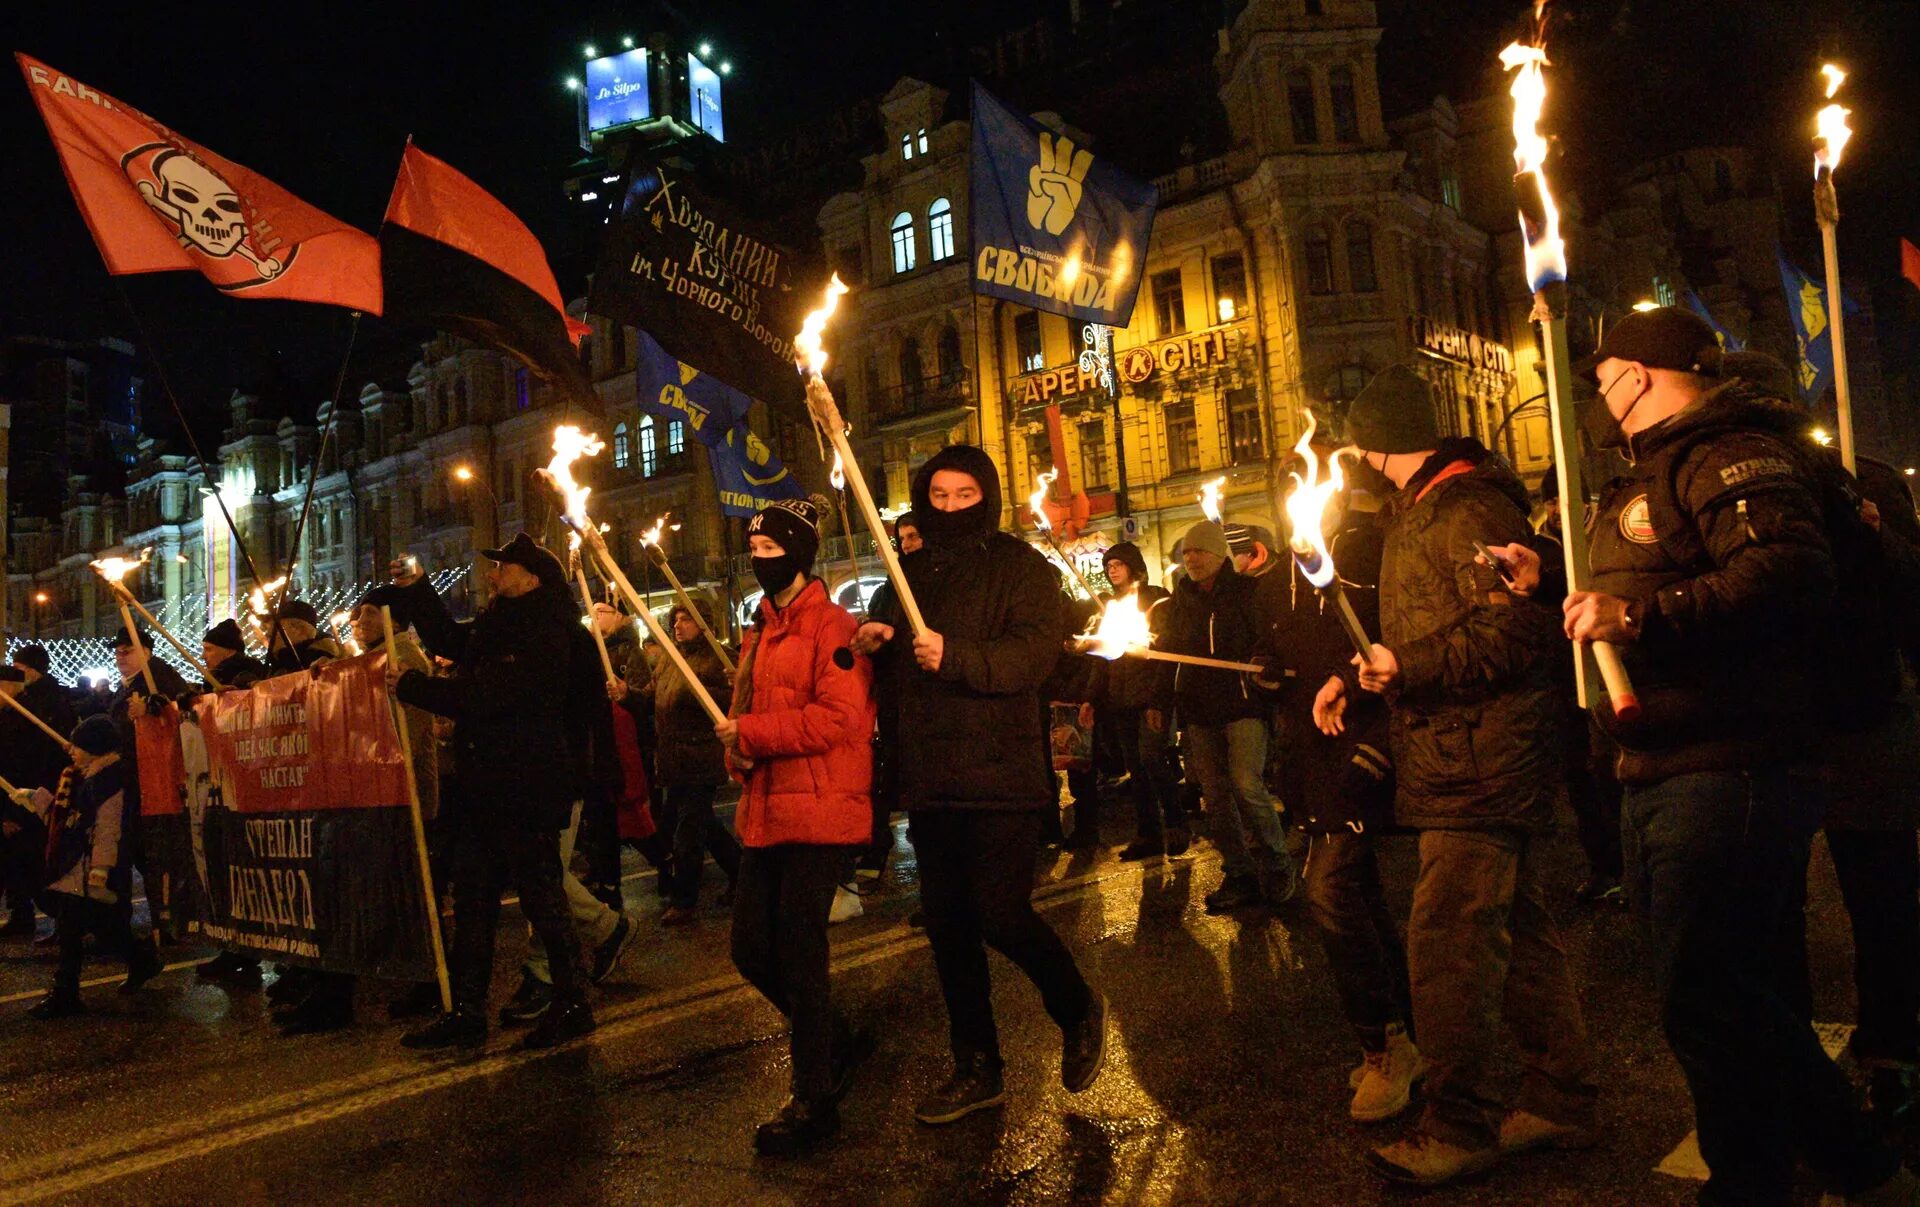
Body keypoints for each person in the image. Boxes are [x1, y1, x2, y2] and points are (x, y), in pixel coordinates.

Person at [1513, 309, 1912, 1205]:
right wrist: (1551, 583)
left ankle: (1844, 1166)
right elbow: (1640, 584)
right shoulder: (1661, 463)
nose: (1600, 396)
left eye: (1605, 375)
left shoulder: (1727, 451)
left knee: (1713, 991)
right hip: (1671, 761)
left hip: (1731, 763)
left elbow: (1784, 571)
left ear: (1642, 375)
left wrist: (1640, 619)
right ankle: (1764, 1171)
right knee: (1718, 992)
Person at [1318, 364, 1594, 1186]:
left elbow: (1513, 637)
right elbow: (1430, 631)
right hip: (1457, 750)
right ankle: (1562, 1096)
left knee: (1446, 943)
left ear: (1376, 441)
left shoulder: (1466, 509)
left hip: (1481, 759)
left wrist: (1409, 662)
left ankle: (1460, 1120)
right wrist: (1360, 666)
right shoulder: (1428, 510)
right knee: (1522, 936)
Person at [853, 444, 1107, 1124]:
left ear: (985, 497)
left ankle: (1075, 1005)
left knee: (1000, 912)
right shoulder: (905, 573)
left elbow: (1032, 655)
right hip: (932, 775)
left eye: (965, 495)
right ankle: (976, 1064)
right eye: (939, 497)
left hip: (1000, 772)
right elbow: (896, 661)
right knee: (948, 927)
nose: (952, 508)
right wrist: (877, 640)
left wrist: (953, 655)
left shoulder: (1022, 568)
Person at [386, 534, 596, 1051]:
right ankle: (467, 1009)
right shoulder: (499, 622)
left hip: (526, 783)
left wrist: (414, 688)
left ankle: (573, 1003)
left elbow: (494, 696)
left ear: (531, 578)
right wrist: (417, 591)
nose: (493, 574)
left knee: (542, 898)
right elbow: (452, 642)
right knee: (474, 897)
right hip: (486, 787)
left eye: (503, 567)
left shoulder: (549, 629)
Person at [717, 499, 877, 1156]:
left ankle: (814, 1096)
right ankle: (835, 1035)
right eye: (752, 552)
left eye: (771, 551)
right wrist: (737, 749)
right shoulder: (758, 630)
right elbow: (740, 711)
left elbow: (838, 720)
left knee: (800, 953)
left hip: (820, 810)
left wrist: (752, 733)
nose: (760, 562)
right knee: (750, 948)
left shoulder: (834, 626)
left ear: (799, 554)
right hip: (766, 807)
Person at [1295, 507, 1422, 1123]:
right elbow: (1331, 644)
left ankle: (1387, 1046)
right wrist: (1326, 676)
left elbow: (1398, 637)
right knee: (1361, 895)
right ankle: (1404, 1036)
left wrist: (1374, 732)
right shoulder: (1313, 554)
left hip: (1373, 743)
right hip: (1325, 743)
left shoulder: (1385, 543)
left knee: (1331, 888)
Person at [496, 603, 637, 1025]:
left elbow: (584, 719)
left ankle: (546, 971)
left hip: (561, 776)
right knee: (543, 872)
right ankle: (606, 928)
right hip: (536, 775)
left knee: (546, 875)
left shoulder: (568, 646)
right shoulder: (536, 642)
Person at [1154, 519, 1298, 913]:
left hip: (1242, 703)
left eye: (1199, 551)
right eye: (1186, 553)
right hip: (1200, 710)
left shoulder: (1249, 593)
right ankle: (1239, 872)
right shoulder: (1179, 602)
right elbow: (1168, 655)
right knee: (1215, 798)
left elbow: (1272, 638)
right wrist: (1159, 703)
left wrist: (1267, 663)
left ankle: (1277, 864)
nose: (1192, 559)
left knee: (1246, 786)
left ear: (1219, 554)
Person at [9, 715, 161, 1018]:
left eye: (77, 745)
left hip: (94, 871)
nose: (71, 750)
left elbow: (108, 828)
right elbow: (72, 818)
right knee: (75, 928)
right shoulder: (86, 777)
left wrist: (100, 872)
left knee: (103, 928)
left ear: (94, 747)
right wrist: (38, 800)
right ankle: (71, 990)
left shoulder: (110, 782)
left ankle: (74, 989)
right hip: (77, 867)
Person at [622, 599, 737, 925]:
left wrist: (702, 691)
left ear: (704, 624)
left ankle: (684, 899)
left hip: (701, 757)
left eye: (686, 619)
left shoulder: (718, 658)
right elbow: (650, 697)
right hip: (674, 760)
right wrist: (627, 695)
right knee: (705, 826)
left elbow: (735, 698)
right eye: (676, 620)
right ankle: (741, 874)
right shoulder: (670, 661)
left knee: (688, 833)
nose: (678, 625)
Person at [1096, 543, 1187, 860]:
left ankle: (1176, 823)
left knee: (1152, 758)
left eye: (1118, 564)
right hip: (1121, 697)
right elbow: (1104, 657)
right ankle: (1148, 833)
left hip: (1149, 695)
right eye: (1109, 566)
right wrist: (1091, 698)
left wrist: (1158, 700)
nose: (1113, 570)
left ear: (1133, 566)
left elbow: (1165, 648)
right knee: (1136, 770)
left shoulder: (1156, 599)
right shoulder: (1110, 605)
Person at [1, 644, 76, 937]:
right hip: (28, 795)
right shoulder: (26, 705)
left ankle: (69, 921)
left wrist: (19, 808)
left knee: (38, 862)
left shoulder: (37, 707)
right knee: (18, 860)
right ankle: (23, 914)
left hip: (39, 795)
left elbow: (29, 761)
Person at [200, 619, 268, 690]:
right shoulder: (215, 677)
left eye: (209, 649)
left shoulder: (245, 673)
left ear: (229, 651)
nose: (203, 656)